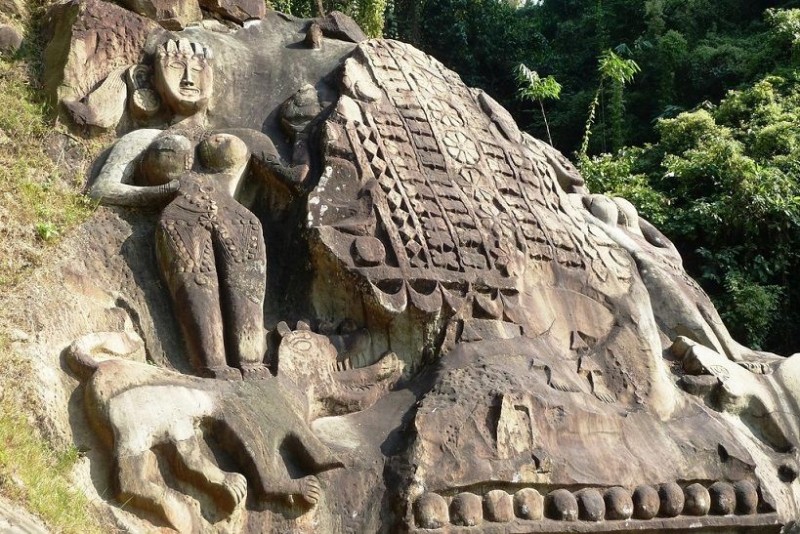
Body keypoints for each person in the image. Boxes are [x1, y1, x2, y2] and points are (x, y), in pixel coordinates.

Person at [89, 38, 307, 379]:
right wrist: (163, 191)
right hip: (182, 220)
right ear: (150, 78)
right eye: (176, 68)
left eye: (198, 70)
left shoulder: (248, 139)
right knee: (200, 298)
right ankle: (212, 365)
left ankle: (251, 363)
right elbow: (101, 189)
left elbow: (295, 180)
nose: (189, 78)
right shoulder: (143, 138)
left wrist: (301, 131)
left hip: (241, 224)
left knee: (247, 307)